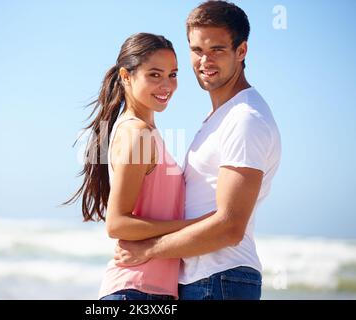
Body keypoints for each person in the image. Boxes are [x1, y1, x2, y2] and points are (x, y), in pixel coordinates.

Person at [114, 1, 282, 300]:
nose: (205, 60)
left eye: (217, 49)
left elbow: (230, 227)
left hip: (220, 278)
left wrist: (149, 249)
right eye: (197, 50)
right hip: (204, 279)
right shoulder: (219, 117)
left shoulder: (244, 118)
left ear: (241, 51)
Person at [65, 33, 209, 300]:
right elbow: (117, 223)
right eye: (155, 75)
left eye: (173, 74)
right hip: (136, 291)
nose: (167, 85)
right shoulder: (137, 133)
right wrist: (192, 226)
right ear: (126, 76)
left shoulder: (144, 131)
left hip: (150, 292)